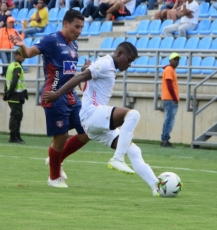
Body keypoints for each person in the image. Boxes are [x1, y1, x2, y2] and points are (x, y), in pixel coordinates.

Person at [43, 42, 161, 197]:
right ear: (119, 54)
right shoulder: (105, 64)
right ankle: (117, 159)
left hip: (94, 124)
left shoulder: (107, 67)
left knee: (134, 150)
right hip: (92, 115)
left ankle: (156, 187)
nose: (129, 64)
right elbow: (79, 78)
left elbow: (85, 86)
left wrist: (85, 70)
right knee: (133, 115)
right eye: (129, 59)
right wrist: (57, 94)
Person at [10, 9, 90, 188]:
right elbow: (28, 53)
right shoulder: (51, 40)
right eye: (76, 27)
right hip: (53, 95)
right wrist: (22, 45)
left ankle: (55, 159)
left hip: (71, 96)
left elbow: (68, 73)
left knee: (87, 131)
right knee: (60, 137)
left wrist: (83, 72)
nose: (79, 31)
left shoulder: (74, 46)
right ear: (65, 24)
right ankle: (54, 177)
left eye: (81, 28)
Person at [3, 50, 28, 144]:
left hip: (14, 95)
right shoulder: (17, 67)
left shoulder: (12, 65)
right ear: (16, 56)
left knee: (17, 115)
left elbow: (7, 80)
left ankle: (16, 135)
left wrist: (7, 92)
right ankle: (13, 136)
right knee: (15, 116)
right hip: (15, 96)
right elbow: (13, 81)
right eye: (21, 55)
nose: (23, 57)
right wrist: (9, 93)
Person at [160, 52, 180, 148]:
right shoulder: (169, 70)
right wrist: (175, 98)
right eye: (174, 59)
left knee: (168, 119)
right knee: (169, 119)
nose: (176, 61)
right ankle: (165, 139)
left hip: (169, 98)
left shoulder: (170, 69)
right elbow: (169, 85)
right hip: (170, 98)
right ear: (170, 60)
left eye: (177, 60)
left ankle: (164, 138)